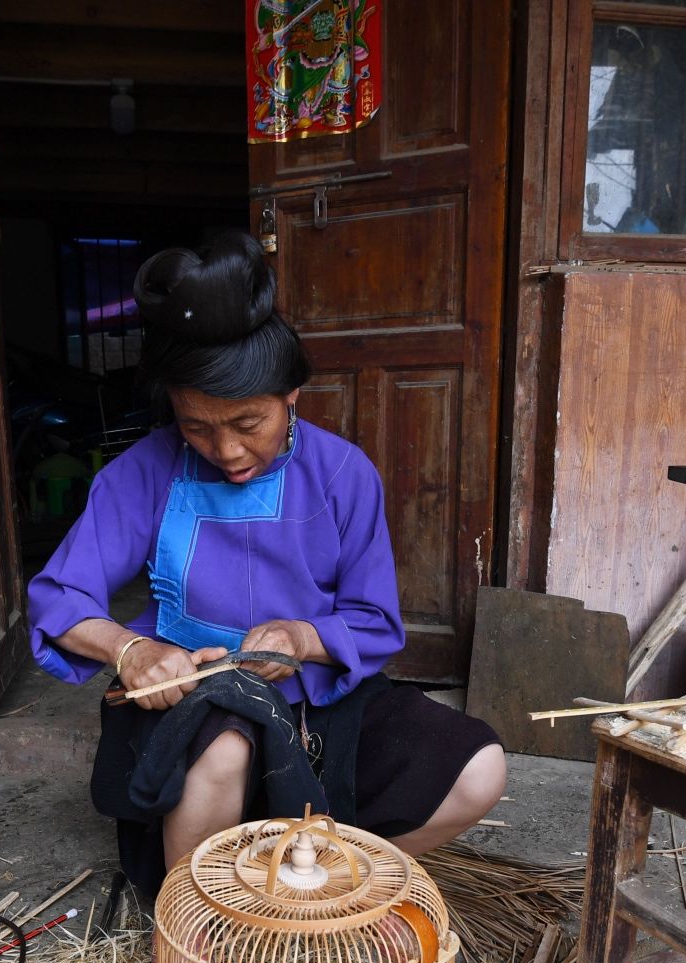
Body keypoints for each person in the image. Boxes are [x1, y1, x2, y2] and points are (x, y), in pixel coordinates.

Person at [26, 231, 506, 894]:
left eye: (248, 422)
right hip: (189, 704)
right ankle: (199, 933)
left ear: (292, 396)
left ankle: (316, 891)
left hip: (312, 698)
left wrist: (300, 638)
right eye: (197, 426)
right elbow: (59, 598)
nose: (224, 449)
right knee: (224, 748)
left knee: (478, 767)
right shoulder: (141, 473)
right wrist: (130, 648)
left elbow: (370, 618)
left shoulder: (343, 474)